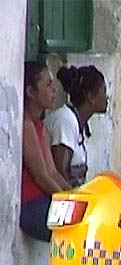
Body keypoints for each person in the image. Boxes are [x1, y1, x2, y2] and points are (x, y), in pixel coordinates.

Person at [20, 61, 71, 242]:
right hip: (31, 206)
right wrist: (66, 203)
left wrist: (74, 195)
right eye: (48, 85)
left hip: (45, 202)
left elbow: (52, 172)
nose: (54, 90)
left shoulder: (40, 126)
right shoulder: (26, 126)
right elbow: (41, 176)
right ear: (31, 92)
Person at [44, 65, 108, 187]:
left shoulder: (77, 122)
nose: (106, 97)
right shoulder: (66, 121)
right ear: (91, 97)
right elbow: (60, 174)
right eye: (103, 91)